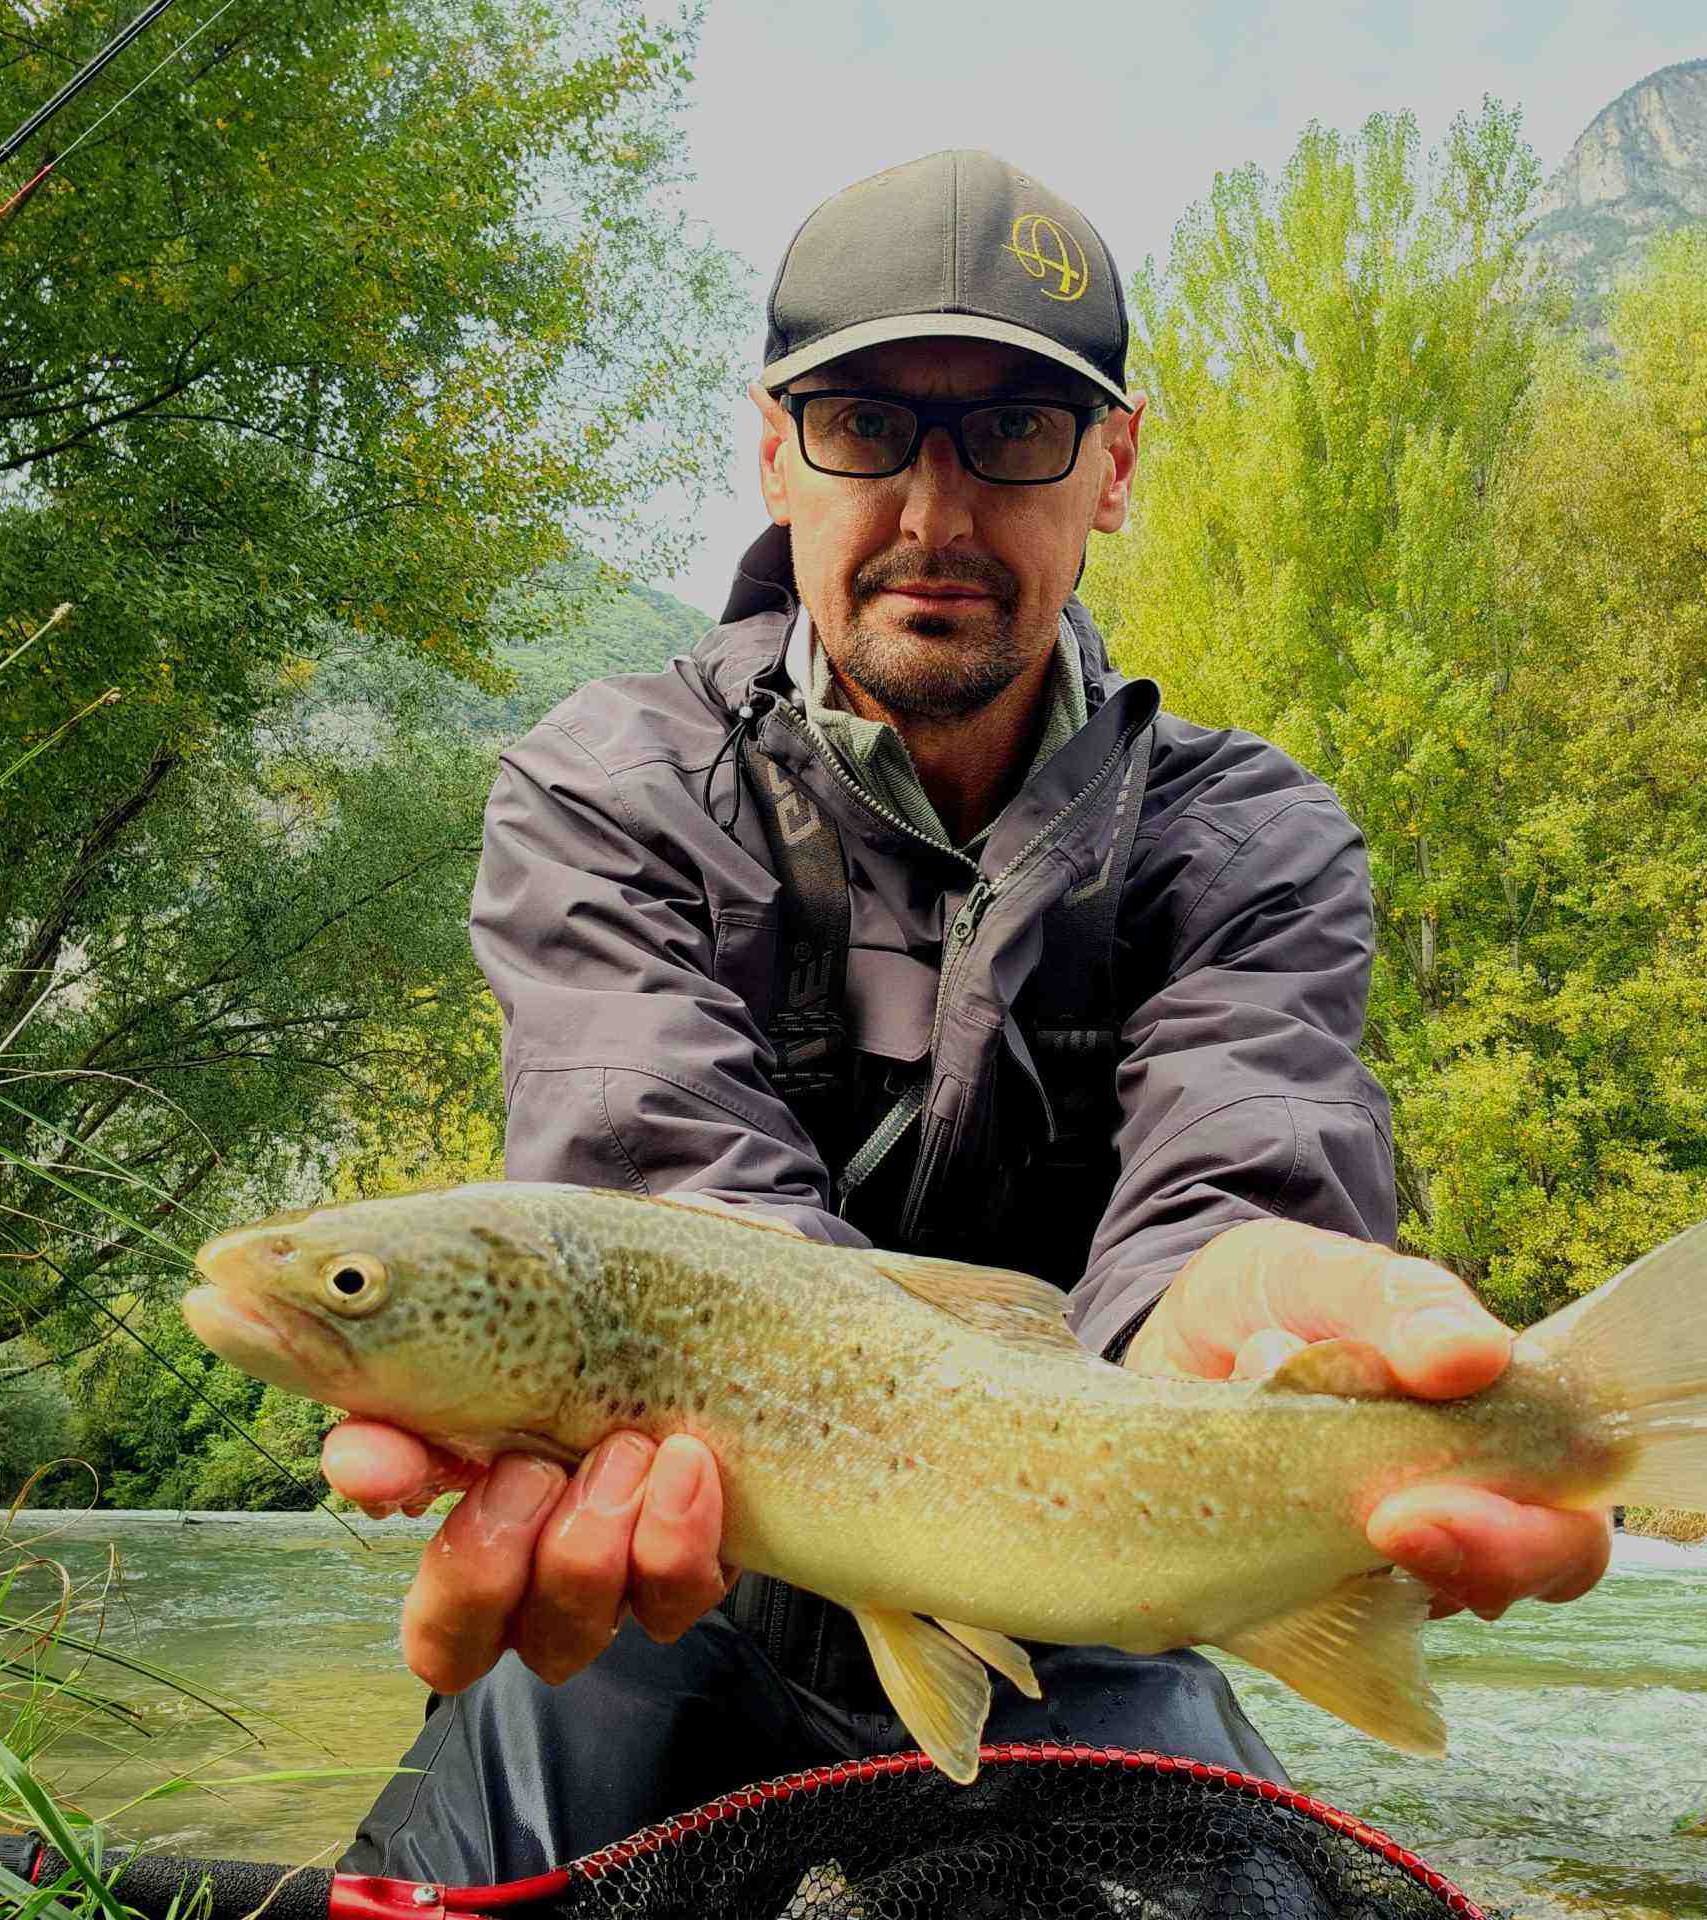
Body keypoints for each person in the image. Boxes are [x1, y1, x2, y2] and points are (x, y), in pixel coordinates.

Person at [332, 150, 1611, 1884]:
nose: (934, 512)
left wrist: (1233, 1320)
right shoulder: (609, 788)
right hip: (672, 1557)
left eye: (1013, 432)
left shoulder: (1250, 841)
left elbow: (1235, 1177)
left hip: (1071, 1570)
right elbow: (664, 1213)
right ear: (773, 451)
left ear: (1117, 467)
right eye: (866, 424)